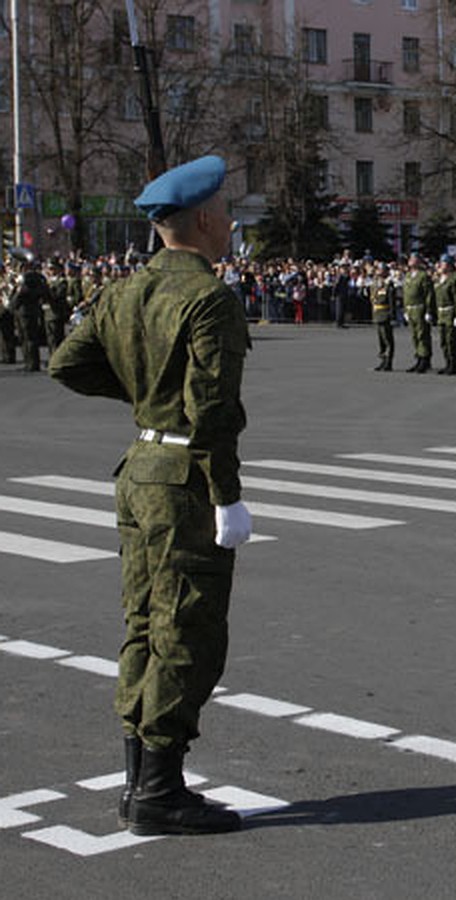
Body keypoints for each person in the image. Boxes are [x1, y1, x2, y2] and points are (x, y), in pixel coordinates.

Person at [48, 155, 250, 836]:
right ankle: (161, 791)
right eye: (224, 209)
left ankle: (140, 782)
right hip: (182, 481)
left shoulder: (124, 290)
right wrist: (227, 496)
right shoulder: (208, 298)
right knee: (188, 632)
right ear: (201, 220)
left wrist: (142, 397)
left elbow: (66, 363)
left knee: (142, 623)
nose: (229, 220)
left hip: (137, 468)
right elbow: (214, 409)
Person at [402, 252, 435, 372]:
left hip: (420, 309)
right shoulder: (408, 276)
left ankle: (425, 360)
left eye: (413, 258)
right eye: (410, 258)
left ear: (419, 261)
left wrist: (428, 311)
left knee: (422, 335)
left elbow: (428, 295)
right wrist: (405, 310)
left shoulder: (423, 276)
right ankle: (418, 358)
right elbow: (405, 295)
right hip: (410, 309)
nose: (410, 260)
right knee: (415, 336)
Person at [370, 261, 395, 371]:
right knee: (381, 340)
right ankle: (383, 360)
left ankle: (388, 362)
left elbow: (391, 301)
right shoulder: (376, 283)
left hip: (385, 313)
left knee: (387, 339)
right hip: (377, 313)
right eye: (378, 269)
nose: (379, 271)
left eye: (381, 269)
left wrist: (392, 315)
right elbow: (373, 298)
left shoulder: (389, 284)